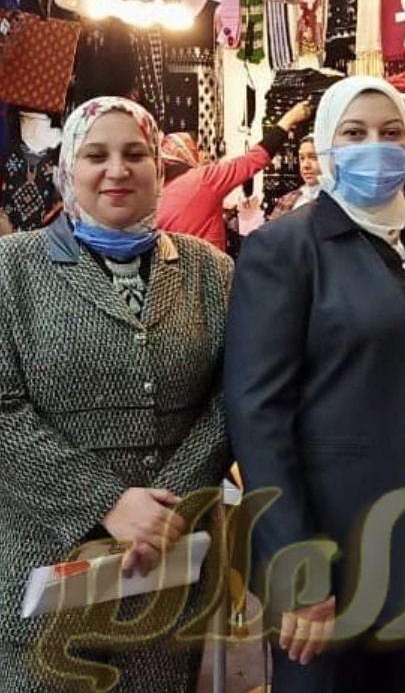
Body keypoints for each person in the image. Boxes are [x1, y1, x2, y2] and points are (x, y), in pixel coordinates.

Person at [224, 75, 405, 693]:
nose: (375, 147)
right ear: (326, 144)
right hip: (340, 545)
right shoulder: (286, 248)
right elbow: (258, 416)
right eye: (354, 134)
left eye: (391, 132)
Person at [0, 96, 233, 692]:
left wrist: (163, 511)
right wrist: (104, 501)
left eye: (135, 154)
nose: (117, 170)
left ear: (159, 166)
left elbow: (232, 397)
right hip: (43, 557)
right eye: (95, 155)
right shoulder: (12, 269)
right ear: (68, 168)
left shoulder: (211, 271)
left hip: (167, 566)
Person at [156, 98, 312, 250]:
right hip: (209, 265)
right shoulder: (203, 179)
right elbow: (255, 159)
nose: (203, 154)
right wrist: (289, 119)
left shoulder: (156, 196)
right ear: (186, 152)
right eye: (198, 149)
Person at [267, 134, 321, 220]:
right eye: (302, 158)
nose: (305, 165)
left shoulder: (337, 201)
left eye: (313, 157)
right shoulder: (287, 199)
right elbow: (271, 228)